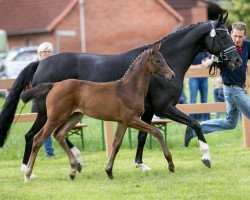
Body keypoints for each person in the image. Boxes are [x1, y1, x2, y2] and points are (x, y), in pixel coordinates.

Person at [185, 22, 250, 147]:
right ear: (231, 34)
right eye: (235, 36)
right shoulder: (223, 48)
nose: (237, 39)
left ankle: (194, 128)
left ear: (244, 35)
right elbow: (208, 62)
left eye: (240, 37)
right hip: (232, 90)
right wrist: (212, 60)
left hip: (240, 90)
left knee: (230, 123)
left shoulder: (247, 46)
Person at [32, 42, 55, 157]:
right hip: (39, 101)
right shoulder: (36, 66)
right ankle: (49, 152)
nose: (46, 54)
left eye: (48, 51)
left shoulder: (56, 66)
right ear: (40, 54)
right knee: (43, 126)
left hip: (55, 101)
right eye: (43, 52)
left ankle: (50, 151)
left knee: (53, 124)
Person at [188, 51, 212, 121]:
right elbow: (188, 66)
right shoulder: (192, 52)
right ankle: (190, 121)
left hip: (204, 78)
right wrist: (200, 66)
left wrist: (207, 63)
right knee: (193, 100)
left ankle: (206, 120)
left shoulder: (205, 52)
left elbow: (209, 62)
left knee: (204, 100)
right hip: (193, 78)